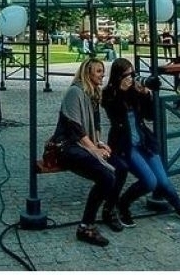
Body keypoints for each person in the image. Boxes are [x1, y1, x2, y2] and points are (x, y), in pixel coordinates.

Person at [102, 58, 180, 228]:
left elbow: (150, 116)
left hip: (144, 141)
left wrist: (145, 94)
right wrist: (121, 91)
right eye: (127, 75)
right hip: (125, 144)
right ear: (118, 76)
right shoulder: (109, 93)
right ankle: (123, 203)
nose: (131, 78)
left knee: (163, 181)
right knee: (150, 181)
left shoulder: (135, 92)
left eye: (133, 74)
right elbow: (113, 113)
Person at [50, 59, 123, 247]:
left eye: (103, 71)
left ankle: (109, 210)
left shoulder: (94, 94)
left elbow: (95, 126)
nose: (102, 74)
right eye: (98, 71)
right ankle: (85, 226)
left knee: (120, 167)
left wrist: (100, 143)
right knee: (106, 176)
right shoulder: (75, 92)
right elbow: (75, 128)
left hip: (84, 144)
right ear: (87, 73)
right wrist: (94, 150)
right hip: (67, 146)